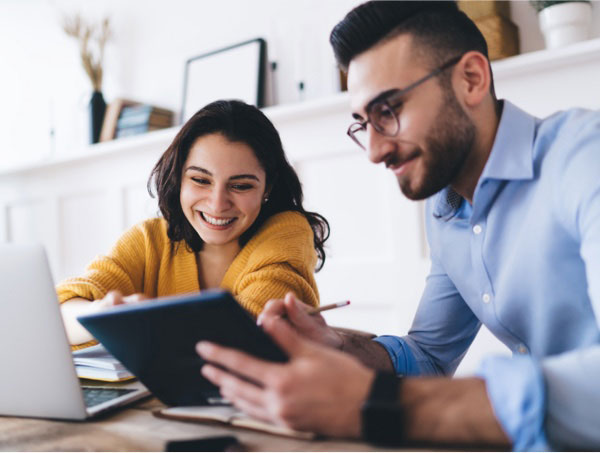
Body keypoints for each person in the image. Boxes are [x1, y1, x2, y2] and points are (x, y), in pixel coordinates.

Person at [196, 2, 600, 451]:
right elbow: (429, 355)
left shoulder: (585, 155)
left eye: (388, 110)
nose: (373, 150)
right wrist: (336, 347)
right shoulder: (446, 211)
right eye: (363, 123)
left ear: (471, 79)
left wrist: (374, 403)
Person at [58, 99, 329, 349]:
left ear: (267, 187)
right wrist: (101, 313)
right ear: (179, 177)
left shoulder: (288, 232)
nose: (217, 203)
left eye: (241, 185)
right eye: (200, 180)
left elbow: (249, 331)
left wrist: (136, 325)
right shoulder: (148, 240)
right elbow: (59, 313)